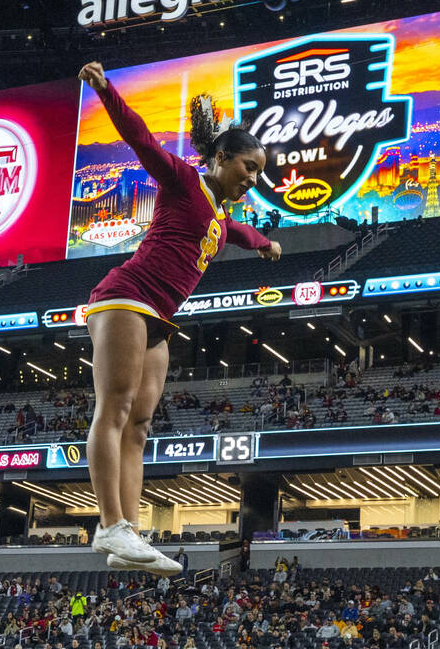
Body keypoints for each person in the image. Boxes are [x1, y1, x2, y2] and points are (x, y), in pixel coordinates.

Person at [77, 62, 281, 576]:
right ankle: (110, 524)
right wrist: (106, 90)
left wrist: (267, 244)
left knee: (140, 427)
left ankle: (129, 532)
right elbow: (141, 139)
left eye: (259, 172)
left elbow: (236, 233)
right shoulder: (183, 180)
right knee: (116, 409)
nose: (253, 180)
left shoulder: (217, 211)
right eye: (249, 168)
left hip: (159, 317)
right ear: (221, 158)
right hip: (126, 297)